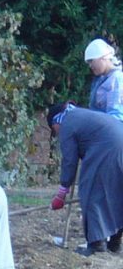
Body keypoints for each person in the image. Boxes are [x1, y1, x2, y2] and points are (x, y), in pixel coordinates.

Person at [47, 102, 123, 256]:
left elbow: (69, 161)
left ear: (55, 122)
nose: (56, 135)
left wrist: (61, 193)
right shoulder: (82, 115)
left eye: (53, 131)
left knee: (91, 194)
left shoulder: (67, 123)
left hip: (107, 150)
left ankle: (96, 245)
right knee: (117, 194)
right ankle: (114, 243)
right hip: (118, 142)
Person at [84, 38, 123, 121]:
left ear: (103, 58)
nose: (90, 66)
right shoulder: (101, 79)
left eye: (91, 61)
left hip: (108, 130)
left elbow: (116, 116)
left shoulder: (116, 80)